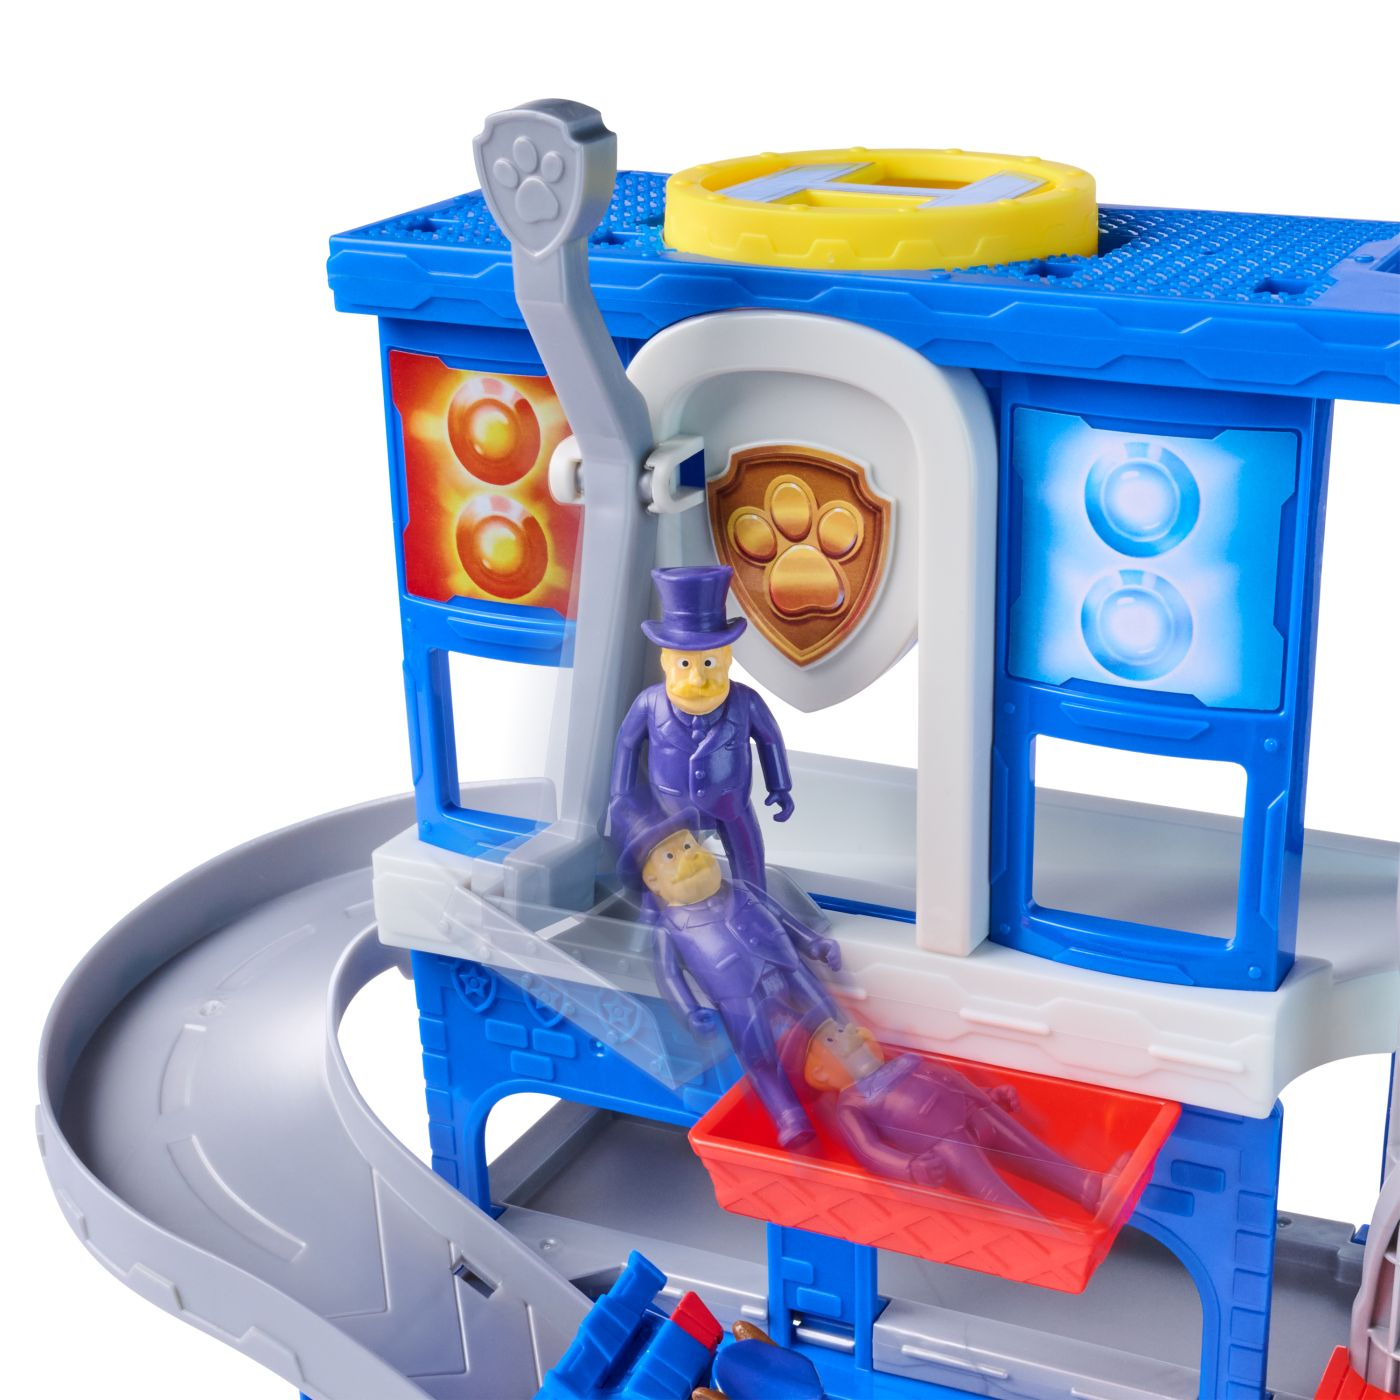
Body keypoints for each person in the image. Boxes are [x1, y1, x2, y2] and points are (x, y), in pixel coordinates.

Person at [617, 801, 843, 1149]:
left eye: (688, 845)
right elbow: (670, 975)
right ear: (653, 881)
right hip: (738, 996)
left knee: (829, 1022)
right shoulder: (668, 927)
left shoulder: (742, 890)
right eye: (671, 856)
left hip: (788, 967)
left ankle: (854, 1083)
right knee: (759, 1058)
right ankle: (789, 1116)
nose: (689, 856)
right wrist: (689, 1011)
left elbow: (784, 918)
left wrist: (814, 944)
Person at [802, 1019, 1108, 1215]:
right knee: (992, 1193)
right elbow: (870, 1150)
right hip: (943, 1143)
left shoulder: (902, 1061)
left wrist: (989, 1094)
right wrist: (910, 1167)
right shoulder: (852, 1104)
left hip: (974, 1106)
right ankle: (1042, 1235)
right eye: (833, 1040)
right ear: (821, 1073)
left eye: (842, 1029)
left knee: (1032, 1151)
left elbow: (946, 1078)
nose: (849, 1035)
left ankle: (1089, 1187)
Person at [611, 565, 792, 891]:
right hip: (669, 809)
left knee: (749, 859)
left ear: (727, 658)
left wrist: (780, 785)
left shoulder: (745, 702)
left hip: (732, 802)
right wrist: (621, 793)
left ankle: (755, 901)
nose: (697, 678)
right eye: (684, 664)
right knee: (674, 877)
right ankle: (678, 910)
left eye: (708, 663)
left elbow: (770, 739)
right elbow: (627, 742)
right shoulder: (650, 703)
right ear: (665, 661)